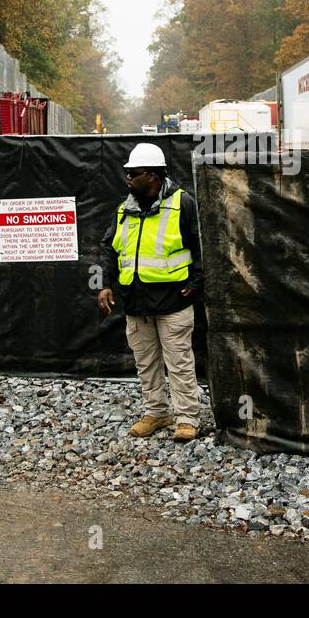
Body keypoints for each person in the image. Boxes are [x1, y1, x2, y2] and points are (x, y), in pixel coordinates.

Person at [98, 142, 203, 442]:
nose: (128, 178)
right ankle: (156, 412)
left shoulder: (183, 204)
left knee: (179, 362)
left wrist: (196, 283)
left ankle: (187, 419)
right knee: (146, 363)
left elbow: (201, 245)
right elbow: (109, 246)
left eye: (134, 173)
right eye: (127, 173)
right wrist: (106, 283)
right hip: (136, 303)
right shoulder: (125, 210)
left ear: (154, 176)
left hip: (173, 302)